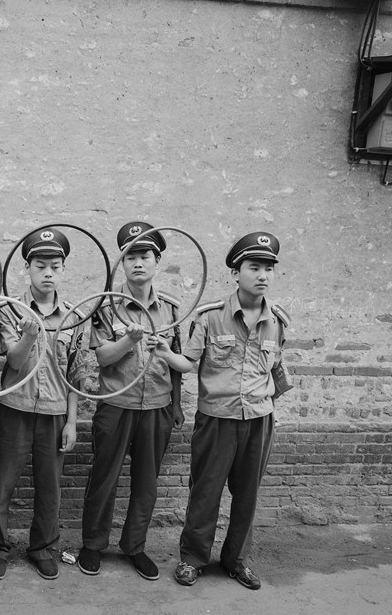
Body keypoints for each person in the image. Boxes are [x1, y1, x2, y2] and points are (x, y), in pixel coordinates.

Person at [173, 231, 290, 591]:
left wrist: (267, 407)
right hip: (216, 419)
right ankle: (193, 558)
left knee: (248, 494)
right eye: (254, 267)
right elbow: (188, 362)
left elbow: (277, 371)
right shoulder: (210, 318)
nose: (262, 275)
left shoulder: (278, 321)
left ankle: (236, 559)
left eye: (268, 269)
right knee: (206, 492)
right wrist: (164, 353)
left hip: (258, 421)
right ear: (235, 273)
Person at [77, 221, 189, 581]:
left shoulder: (171, 309)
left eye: (145, 256)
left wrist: (177, 404)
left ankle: (135, 547)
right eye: (131, 257)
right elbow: (103, 357)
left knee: (146, 482)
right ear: (122, 264)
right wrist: (130, 341)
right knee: (103, 478)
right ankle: (93, 545)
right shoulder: (108, 307)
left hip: (157, 405)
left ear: (157, 262)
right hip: (116, 405)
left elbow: (179, 362)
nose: (138, 263)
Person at [0, 227, 91, 581]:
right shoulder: (10, 310)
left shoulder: (74, 317)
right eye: (40, 265)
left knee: (50, 487)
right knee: (2, 484)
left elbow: (75, 374)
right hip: (15, 409)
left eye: (55, 266)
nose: (48, 273)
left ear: (63, 270)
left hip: (55, 414)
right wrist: (29, 334)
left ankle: (42, 547)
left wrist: (72, 422)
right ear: (26, 267)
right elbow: (13, 361)